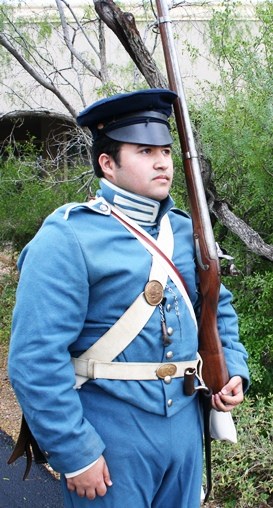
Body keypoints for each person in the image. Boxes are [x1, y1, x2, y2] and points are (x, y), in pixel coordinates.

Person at [8, 88, 249, 508]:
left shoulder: (183, 230)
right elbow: (35, 358)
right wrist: (76, 452)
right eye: (144, 150)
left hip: (185, 429)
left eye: (166, 151)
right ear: (107, 163)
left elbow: (217, 309)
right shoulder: (69, 235)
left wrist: (233, 371)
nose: (161, 162)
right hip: (111, 433)